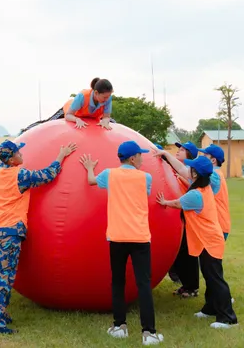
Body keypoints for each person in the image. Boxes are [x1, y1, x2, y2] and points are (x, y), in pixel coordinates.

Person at [0, 139, 78, 334]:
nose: (22, 155)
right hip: (10, 231)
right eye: (18, 153)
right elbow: (48, 175)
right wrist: (62, 154)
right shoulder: (20, 175)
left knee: (2, 275)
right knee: (3, 276)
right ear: (11, 159)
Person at [80, 141, 164, 346]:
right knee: (143, 284)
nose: (143, 159)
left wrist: (90, 168)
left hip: (117, 237)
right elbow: (142, 194)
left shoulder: (109, 174)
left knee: (118, 282)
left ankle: (119, 327)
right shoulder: (146, 177)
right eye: (140, 156)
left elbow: (92, 181)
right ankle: (149, 333)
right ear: (133, 158)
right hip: (140, 237)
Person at [156, 156, 238, 329]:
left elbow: (178, 203)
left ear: (196, 173)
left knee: (216, 279)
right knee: (209, 276)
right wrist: (166, 154)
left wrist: (164, 202)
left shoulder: (196, 194)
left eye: (191, 168)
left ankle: (228, 317)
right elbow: (182, 170)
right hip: (206, 241)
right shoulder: (204, 186)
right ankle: (210, 308)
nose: (188, 169)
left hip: (210, 242)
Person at [164, 141, 202, 299]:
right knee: (178, 253)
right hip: (175, 217)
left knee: (187, 253)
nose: (178, 151)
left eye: (182, 150)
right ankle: (185, 284)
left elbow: (191, 192)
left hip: (188, 219)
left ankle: (192, 286)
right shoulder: (171, 168)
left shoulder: (191, 173)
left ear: (189, 156)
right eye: (179, 148)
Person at [18, 78, 115, 133]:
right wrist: (76, 119)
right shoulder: (82, 96)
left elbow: (106, 116)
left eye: (108, 97)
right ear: (96, 93)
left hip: (92, 115)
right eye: (104, 97)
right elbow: (68, 115)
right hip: (72, 113)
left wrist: (105, 121)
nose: (107, 100)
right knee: (47, 123)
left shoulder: (108, 98)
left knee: (113, 123)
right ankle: (25, 130)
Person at [199, 144, 231, 240]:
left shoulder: (213, 175)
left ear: (213, 160)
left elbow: (188, 174)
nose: (202, 158)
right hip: (218, 225)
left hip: (218, 226)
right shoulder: (216, 173)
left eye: (205, 156)